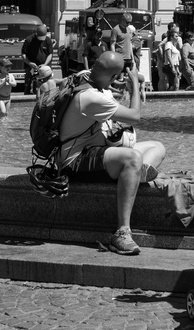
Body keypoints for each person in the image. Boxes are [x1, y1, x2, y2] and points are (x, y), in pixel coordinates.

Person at [55, 50, 167, 256]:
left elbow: (108, 82)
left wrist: (119, 81)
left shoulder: (84, 76)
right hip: (75, 161)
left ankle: (131, 176)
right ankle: (122, 233)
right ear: (114, 76)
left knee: (157, 147)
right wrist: (134, 84)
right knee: (133, 157)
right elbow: (134, 116)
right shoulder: (90, 97)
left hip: (95, 150)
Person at [23, 23, 55, 90]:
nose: (41, 40)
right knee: (29, 81)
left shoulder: (48, 40)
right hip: (31, 66)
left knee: (46, 84)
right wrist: (29, 63)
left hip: (44, 66)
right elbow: (23, 54)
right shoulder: (29, 40)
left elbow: (50, 54)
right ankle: (28, 91)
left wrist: (45, 64)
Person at [158, 26, 182, 92]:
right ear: (171, 37)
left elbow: (176, 59)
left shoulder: (174, 45)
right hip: (170, 66)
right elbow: (169, 56)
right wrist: (173, 67)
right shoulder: (168, 44)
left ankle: (172, 97)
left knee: (175, 84)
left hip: (175, 66)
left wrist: (177, 69)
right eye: (176, 36)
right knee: (174, 84)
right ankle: (169, 97)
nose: (178, 38)